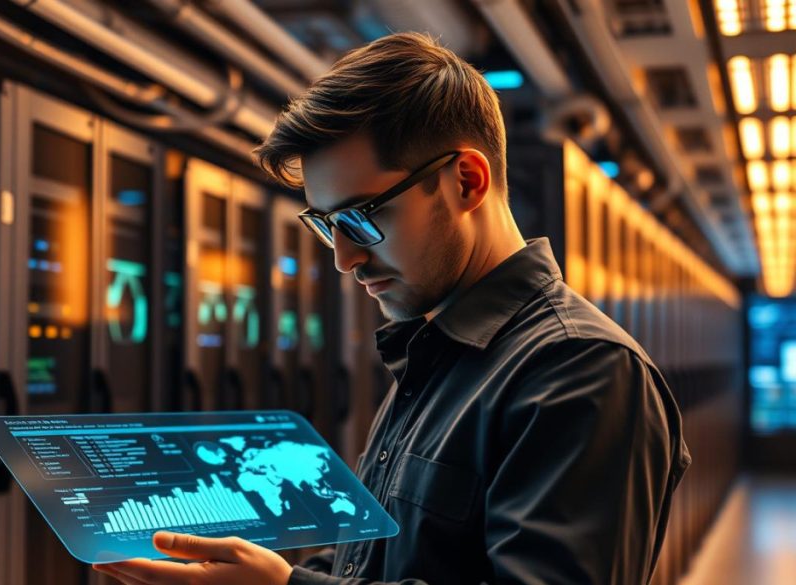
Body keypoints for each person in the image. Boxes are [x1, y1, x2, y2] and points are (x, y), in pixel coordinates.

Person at [93, 31, 689, 585]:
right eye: (328, 226)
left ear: (466, 181)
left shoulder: (580, 371)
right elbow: (383, 561)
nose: (344, 258)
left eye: (361, 217)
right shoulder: (436, 356)